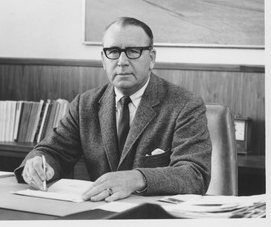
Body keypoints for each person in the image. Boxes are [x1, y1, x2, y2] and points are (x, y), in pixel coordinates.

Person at [15, 17, 212, 202]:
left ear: (151, 58)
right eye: (113, 51)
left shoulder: (185, 104)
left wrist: (136, 178)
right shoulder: (85, 104)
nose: (122, 61)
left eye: (133, 51)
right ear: (103, 59)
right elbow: (52, 151)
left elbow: (194, 174)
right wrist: (38, 164)